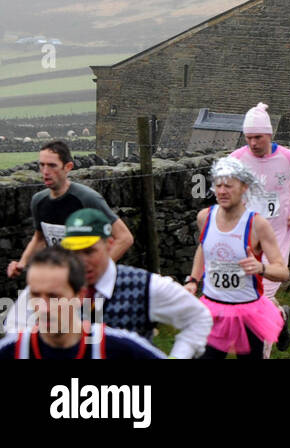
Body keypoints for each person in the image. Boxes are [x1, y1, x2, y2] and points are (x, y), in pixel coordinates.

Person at [2, 209, 213, 359]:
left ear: (109, 243)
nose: (81, 260)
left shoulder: (144, 285)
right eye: (73, 252)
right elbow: (15, 332)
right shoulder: (47, 289)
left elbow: (199, 318)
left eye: (89, 251)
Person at [230, 102, 290, 353]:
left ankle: (262, 353)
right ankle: (280, 316)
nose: (253, 143)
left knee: (262, 296)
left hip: (277, 236)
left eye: (258, 137)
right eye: (248, 138)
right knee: (248, 296)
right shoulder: (236, 159)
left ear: (270, 134)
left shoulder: (289, 158)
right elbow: (222, 190)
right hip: (246, 238)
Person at [183, 157, 289, 358]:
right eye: (218, 185)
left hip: (248, 313)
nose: (222, 191)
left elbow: (283, 272)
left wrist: (261, 269)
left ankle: (280, 316)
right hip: (213, 309)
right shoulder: (204, 217)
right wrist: (193, 281)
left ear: (243, 187)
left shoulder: (257, 225)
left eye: (229, 186)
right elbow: (203, 248)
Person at [0, 248, 166, 360]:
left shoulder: (119, 348)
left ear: (80, 296)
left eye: (54, 296)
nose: (43, 307)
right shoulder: (12, 350)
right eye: (35, 295)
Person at [8, 140, 134, 279]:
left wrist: (97, 272)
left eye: (52, 166)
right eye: (42, 165)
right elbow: (39, 238)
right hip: (58, 281)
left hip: (89, 287)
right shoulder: (38, 201)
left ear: (68, 167)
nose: (45, 171)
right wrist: (22, 263)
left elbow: (124, 238)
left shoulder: (87, 198)